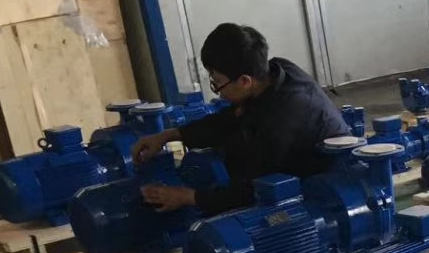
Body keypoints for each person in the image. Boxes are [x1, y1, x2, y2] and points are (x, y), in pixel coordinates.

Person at [132, 23, 353, 217]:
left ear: (245, 81)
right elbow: (230, 119)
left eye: (217, 83)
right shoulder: (278, 70)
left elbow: (250, 190)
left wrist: (188, 197)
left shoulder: (280, 122)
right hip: (294, 149)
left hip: (322, 184)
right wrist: (170, 135)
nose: (218, 92)